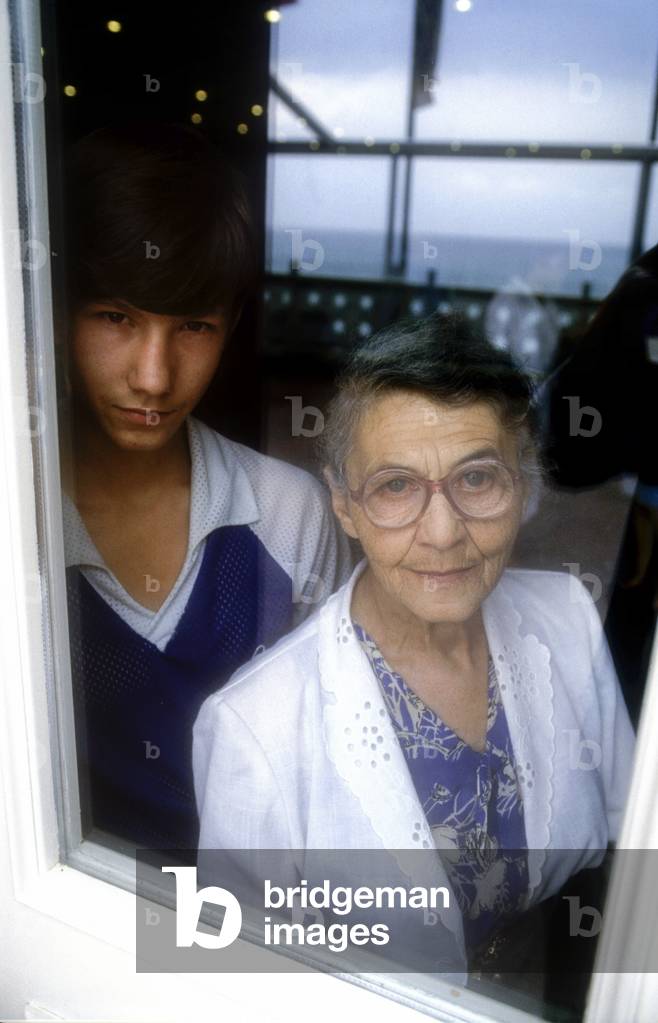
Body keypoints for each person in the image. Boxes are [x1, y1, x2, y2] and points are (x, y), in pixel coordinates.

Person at [193, 314, 634, 963]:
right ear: (343, 502)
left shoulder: (567, 614)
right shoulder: (253, 728)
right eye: (396, 486)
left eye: (477, 479)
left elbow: (633, 833)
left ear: (525, 483)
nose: (442, 532)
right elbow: (232, 970)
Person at [60, 122, 352, 850]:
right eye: (115, 317)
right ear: (55, 311)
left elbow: (328, 751)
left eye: (192, 325)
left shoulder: (289, 514)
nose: (153, 376)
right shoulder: (18, 520)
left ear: (231, 325)